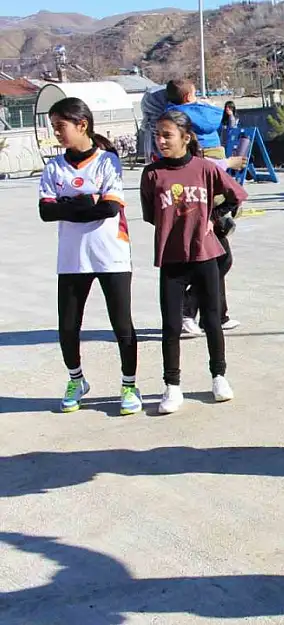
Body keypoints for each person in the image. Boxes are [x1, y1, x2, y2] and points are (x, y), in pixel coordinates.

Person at [37, 97, 142, 415]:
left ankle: (129, 385)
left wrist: (67, 205)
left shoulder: (108, 162)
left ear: (82, 125)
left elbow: (110, 208)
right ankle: (76, 380)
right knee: (68, 326)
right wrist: (86, 201)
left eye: (60, 126)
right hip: (72, 258)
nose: (56, 133)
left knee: (121, 324)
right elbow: (45, 211)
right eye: (53, 127)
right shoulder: (53, 167)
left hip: (111, 254)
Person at [141, 110, 247, 414]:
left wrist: (212, 218)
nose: (161, 141)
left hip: (205, 254)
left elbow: (235, 195)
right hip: (172, 257)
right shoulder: (152, 174)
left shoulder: (205, 169)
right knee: (171, 324)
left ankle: (219, 377)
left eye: (167, 135)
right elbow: (152, 214)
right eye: (158, 135)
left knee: (212, 319)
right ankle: (172, 386)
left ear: (186, 138)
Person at [165, 79, 227, 160]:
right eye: (195, 94)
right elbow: (221, 117)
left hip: (191, 152)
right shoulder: (203, 111)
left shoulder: (169, 114)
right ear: (188, 97)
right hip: (214, 150)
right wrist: (209, 107)